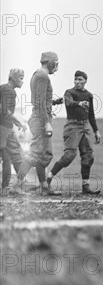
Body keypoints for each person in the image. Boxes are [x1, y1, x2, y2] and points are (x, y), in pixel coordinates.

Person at [46, 70, 102, 194]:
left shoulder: (89, 95)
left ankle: (85, 186)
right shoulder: (69, 92)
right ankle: (48, 179)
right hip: (72, 125)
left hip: (85, 126)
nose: (77, 82)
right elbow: (68, 103)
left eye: (80, 80)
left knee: (88, 156)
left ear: (85, 81)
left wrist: (96, 131)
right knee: (69, 156)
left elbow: (91, 114)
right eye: (75, 79)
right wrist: (79, 103)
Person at [16, 52, 63, 195]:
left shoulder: (38, 75)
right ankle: (18, 184)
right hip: (41, 119)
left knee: (43, 154)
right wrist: (47, 122)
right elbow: (39, 102)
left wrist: (54, 102)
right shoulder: (42, 76)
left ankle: (44, 187)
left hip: (40, 117)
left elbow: (40, 100)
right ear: (48, 62)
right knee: (37, 153)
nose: (56, 65)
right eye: (55, 62)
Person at [0, 69, 26, 194]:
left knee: (7, 158)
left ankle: (6, 188)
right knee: (17, 155)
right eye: (21, 78)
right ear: (13, 78)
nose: (23, 81)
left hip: (5, 127)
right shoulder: (8, 91)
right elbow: (5, 110)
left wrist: (15, 122)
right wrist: (19, 122)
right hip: (4, 128)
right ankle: (19, 185)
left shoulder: (4, 88)